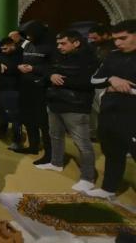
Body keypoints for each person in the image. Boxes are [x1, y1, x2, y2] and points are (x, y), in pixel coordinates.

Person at [37, 30, 98, 193]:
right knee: (55, 135)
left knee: (82, 143)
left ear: (76, 43)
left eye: (63, 43)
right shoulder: (58, 56)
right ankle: (56, 163)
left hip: (75, 106)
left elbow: (88, 82)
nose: (59, 47)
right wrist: (51, 75)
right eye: (58, 43)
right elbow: (47, 70)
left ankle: (88, 177)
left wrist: (61, 80)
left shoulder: (89, 58)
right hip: (55, 102)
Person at [87, 20, 136, 199]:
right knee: (113, 153)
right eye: (115, 39)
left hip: (133, 115)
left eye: (123, 38)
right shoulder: (113, 55)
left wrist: (127, 89)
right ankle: (109, 188)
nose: (118, 43)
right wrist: (111, 80)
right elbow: (93, 79)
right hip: (110, 112)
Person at [14, 21, 54, 166]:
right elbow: (22, 59)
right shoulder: (28, 44)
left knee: (44, 123)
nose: (29, 37)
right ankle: (33, 146)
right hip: (26, 86)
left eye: (31, 34)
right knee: (28, 119)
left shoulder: (51, 46)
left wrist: (33, 69)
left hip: (41, 89)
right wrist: (20, 66)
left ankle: (50, 154)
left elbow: (53, 68)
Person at [0, 38, 24, 150]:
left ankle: (17, 141)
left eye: (5, 48)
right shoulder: (0, 53)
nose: (3, 51)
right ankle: (2, 132)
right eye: (2, 49)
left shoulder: (21, 53)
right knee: (2, 113)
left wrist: (5, 67)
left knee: (15, 117)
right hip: (1, 88)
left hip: (14, 88)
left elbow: (17, 68)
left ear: (12, 45)